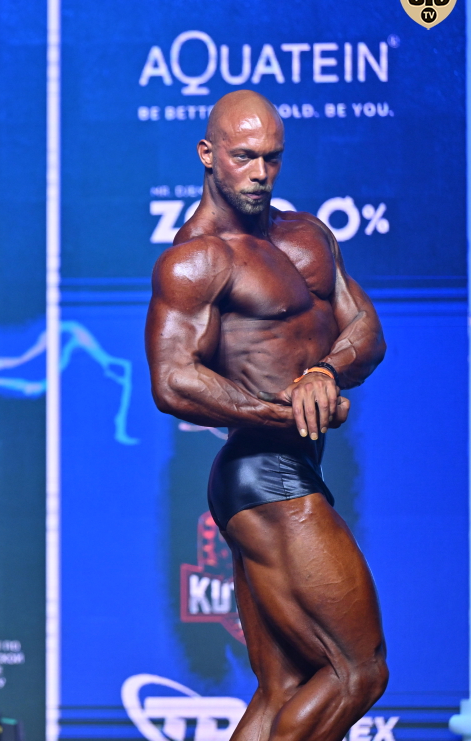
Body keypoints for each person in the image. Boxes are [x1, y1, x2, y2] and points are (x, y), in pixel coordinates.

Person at [145, 90, 388, 741]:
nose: (260, 172)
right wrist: (286, 414)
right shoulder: (197, 258)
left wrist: (324, 373)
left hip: (283, 473)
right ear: (208, 154)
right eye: (244, 156)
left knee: (282, 688)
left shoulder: (309, 234)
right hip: (264, 474)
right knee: (357, 672)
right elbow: (171, 381)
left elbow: (366, 329)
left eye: (271, 158)